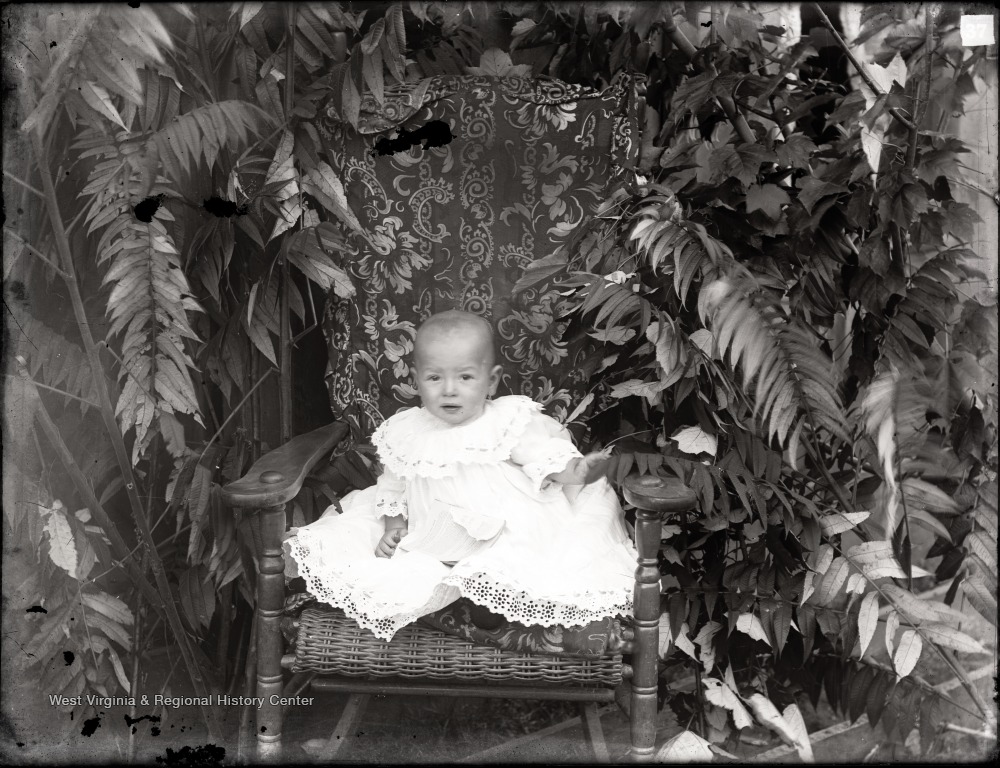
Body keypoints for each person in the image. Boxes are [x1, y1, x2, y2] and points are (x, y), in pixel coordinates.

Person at [285, 310, 639, 641]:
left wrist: (577, 470)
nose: (449, 389)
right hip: (434, 535)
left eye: (465, 377)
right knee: (389, 564)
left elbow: (544, 456)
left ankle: (491, 600)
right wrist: (394, 524)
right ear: (416, 380)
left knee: (508, 563)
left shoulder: (507, 421)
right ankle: (452, 598)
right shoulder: (406, 431)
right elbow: (393, 485)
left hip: (504, 531)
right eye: (434, 377)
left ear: (491, 381)